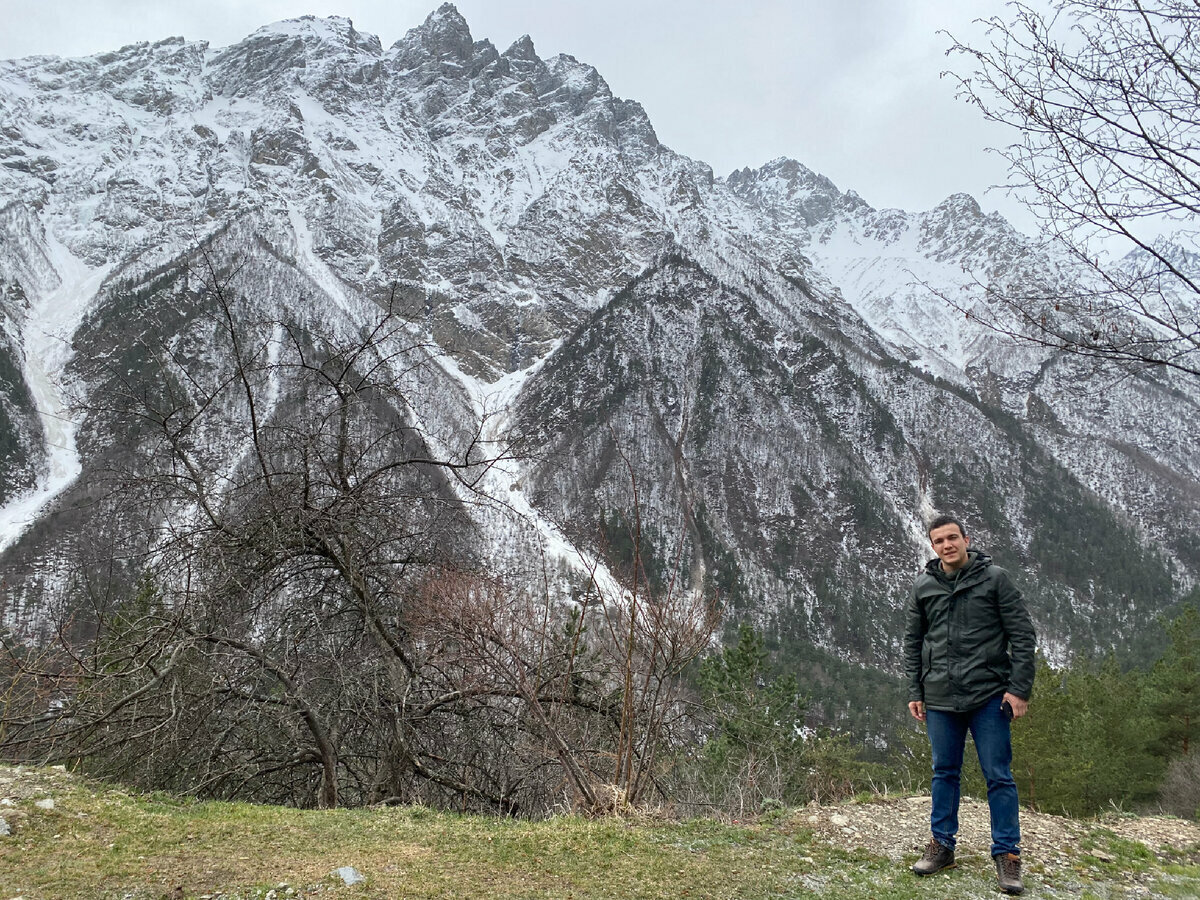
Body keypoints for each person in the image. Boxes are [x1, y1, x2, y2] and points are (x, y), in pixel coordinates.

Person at [903, 514, 1036, 896]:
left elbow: (1022, 635)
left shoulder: (995, 579)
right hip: (940, 696)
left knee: (999, 775)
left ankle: (1008, 856)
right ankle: (942, 846)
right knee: (944, 771)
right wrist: (916, 690)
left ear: (966, 539)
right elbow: (913, 643)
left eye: (952, 538)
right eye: (939, 540)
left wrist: (1019, 690)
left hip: (989, 695)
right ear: (932, 546)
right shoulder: (924, 586)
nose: (947, 545)